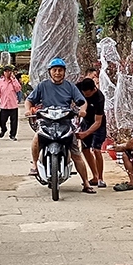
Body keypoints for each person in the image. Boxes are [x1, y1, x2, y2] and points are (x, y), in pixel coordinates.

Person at [26, 58, 93, 193]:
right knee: (36, 140)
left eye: (60, 70)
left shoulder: (70, 86)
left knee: (76, 153)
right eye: (55, 70)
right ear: (50, 72)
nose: (57, 73)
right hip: (46, 122)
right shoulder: (43, 86)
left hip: (65, 123)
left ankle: (86, 183)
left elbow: (82, 101)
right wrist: (28, 110)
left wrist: (83, 110)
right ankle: (35, 165)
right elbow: (29, 100)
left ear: (64, 72)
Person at [76, 78, 107, 188]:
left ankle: (100, 178)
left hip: (98, 124)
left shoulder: (99, 98)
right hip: (86, 121)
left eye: (87, 94)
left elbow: (98, 122)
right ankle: (94, 175)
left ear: (93, 89)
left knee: (96, 150)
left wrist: (86, 133)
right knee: (85, 149)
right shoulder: (79, 86)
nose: (85, 96)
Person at [0, 66, 22, 140]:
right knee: (2, 121)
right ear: (3, 73)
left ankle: (12, 135)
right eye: (6, 71)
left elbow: (18, 89)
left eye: (9, 71)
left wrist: (13, 79)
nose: (7, 73)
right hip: (4, 105)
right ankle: (3, 130)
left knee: (14, 122)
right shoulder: (0, 82)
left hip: (13, 105)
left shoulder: (14, 81)